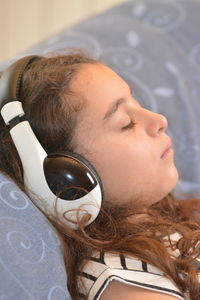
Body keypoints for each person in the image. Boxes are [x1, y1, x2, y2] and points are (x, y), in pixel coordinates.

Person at [0, 53, 200, 300]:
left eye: (136, 102)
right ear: (67, 177)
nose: (159, 120)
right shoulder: (122, 281)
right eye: (126, 122)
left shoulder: (161, 220)